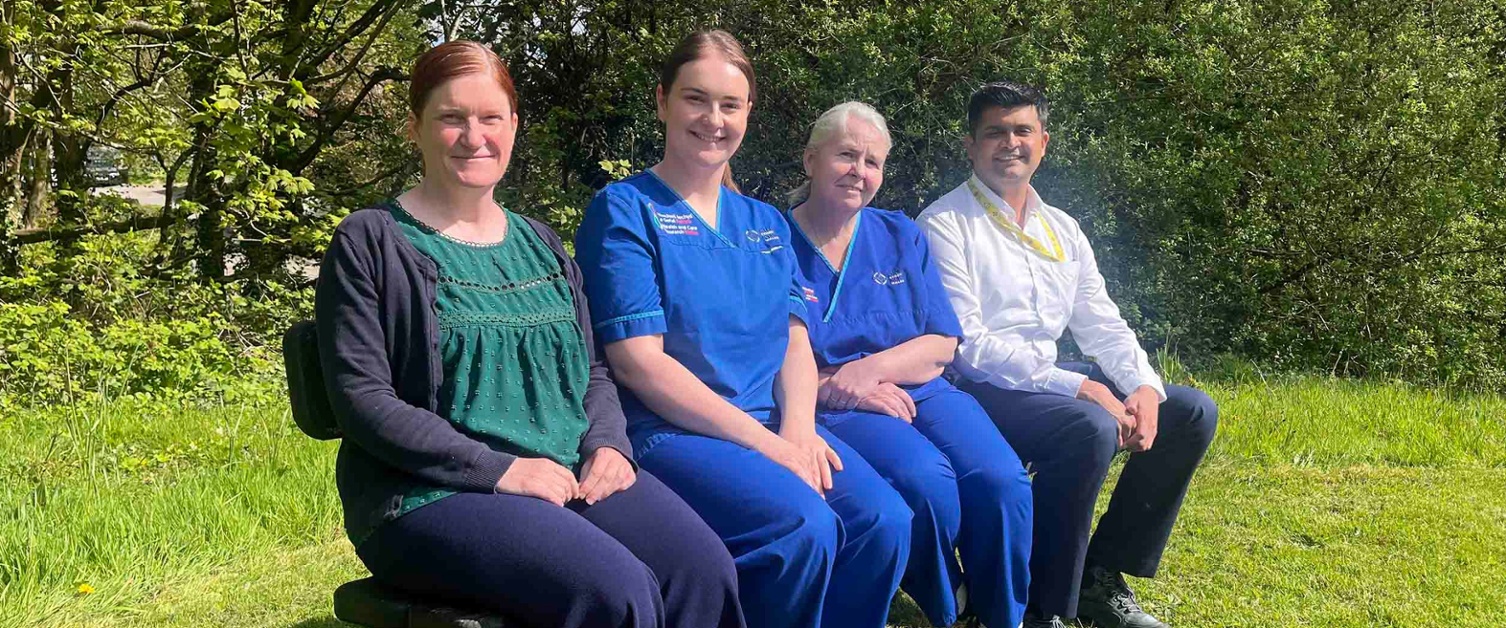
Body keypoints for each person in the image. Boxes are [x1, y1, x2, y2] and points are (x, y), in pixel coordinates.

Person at [314, 40, 743, 628]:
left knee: (700, 569)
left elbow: (592, 369)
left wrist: (610, 444)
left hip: (564, 470)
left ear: (513, 126)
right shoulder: (372, 241)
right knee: (614, 592)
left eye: (491, 118)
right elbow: (363, 399)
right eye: (451, 118)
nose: (474, 136)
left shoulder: (540, 242)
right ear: (414, 128)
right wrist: (498, 470)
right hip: (429, 492)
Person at [574, 31, 912, 628]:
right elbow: (639, 364)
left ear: (748, 113)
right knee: (800, 527)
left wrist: (800, 430)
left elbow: (795, 339)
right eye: (695, 99)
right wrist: (771, 448)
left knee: (884, 521)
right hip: (672, 432)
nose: (713, 119)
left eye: (730, 105)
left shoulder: (764, 222)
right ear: (662, 102)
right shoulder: (625, 209)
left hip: (773, 425)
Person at [917, 80, 1220, 628]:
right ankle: (1045, 606)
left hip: (1047, 377)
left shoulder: (1064, 228)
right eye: (995, 132)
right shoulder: (943, 224)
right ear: (970, 146)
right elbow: (970, 344)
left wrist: (1145, 387)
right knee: (1089, 426)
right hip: (980, 389)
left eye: (1022, 130)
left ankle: (1100, 576)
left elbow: (1101, 322)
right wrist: (1083, 387)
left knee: (1190, 411)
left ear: (1043, 142)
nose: (1010, 142)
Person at [783, 101, 1032, 628]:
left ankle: (1002, 615)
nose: (859, 171)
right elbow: (779, 351)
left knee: (1003, 481)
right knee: (925, 480)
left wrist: (869, 370)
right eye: (846, 155)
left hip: (920, 387)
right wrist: (840, 386)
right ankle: (949, 602)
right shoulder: (772, 240)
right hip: (834, 402)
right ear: (810, 160)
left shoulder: (900, 235)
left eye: (872, 162)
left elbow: (943, 342)